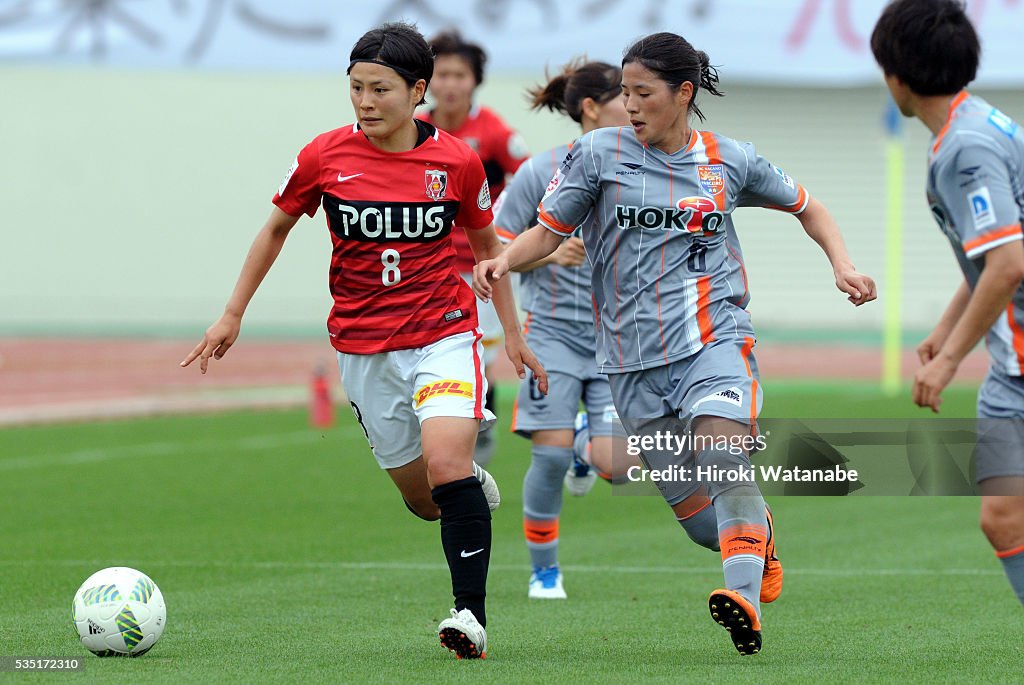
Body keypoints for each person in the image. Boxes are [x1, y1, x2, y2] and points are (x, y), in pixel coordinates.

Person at [475, 32, 876, 654]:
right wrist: (506, 261)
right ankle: (756, 540)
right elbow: (547, 232)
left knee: (724, 459)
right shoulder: (598, 154)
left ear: (682, 93)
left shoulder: (728, 159)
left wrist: (842, 265)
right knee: (701, 524)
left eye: (643, 93)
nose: (630, 105)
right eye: (625, 93)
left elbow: (809, 207)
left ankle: (742, 600)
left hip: (715, 341)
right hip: (632, 365)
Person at [180, 22, 547, 659]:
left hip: (443, 333)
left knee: (447, 465)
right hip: (362, 348)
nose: (366, 101)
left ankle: (469, 616)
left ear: (417, 91)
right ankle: (463, 489)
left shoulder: (456, 160)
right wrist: (231, 315)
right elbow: (274, 231)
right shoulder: (324, 156)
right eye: (356, 88)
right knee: (425, 502)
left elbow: (489, 251)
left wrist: (511, 333)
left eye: (380, 89)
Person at [871, 0, 1024, 607]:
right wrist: (947, 325)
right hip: (1012, 370)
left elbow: (1009, 263)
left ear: (897, 78)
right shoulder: (979, 122)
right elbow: (996, 252)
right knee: (1002, 518)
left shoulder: (966, 146)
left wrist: (949, 358)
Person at [492, 59, 633, 599]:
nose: (636, 103)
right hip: (550, 333)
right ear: (592, 108)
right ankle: (544, 570)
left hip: (620, 340)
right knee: (547, 456)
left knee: (617, 465)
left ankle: (585, 446)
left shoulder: (647, 167)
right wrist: (547, 255)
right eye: (626, 94)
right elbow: (499, 249)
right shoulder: (539, 171)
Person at [417, 30, 532, 464]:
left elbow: (532, 184)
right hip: (425, 267)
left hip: (479, 269)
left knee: (477, 357)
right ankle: (436, 428)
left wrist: (512, 236)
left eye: (458, 74)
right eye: (441, 73)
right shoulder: (414, 130)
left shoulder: (495, 133)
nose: (449, 83)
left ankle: (479, 428)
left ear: (474, 80)